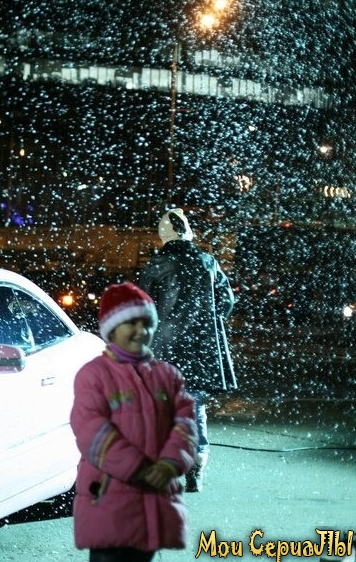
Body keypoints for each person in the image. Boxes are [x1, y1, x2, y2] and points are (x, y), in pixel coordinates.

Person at [70, 282, 197, 562]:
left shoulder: (167, 376)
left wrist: (169, 463)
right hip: (109, 499)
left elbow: (185, 423)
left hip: (155, 497)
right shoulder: (94, 375)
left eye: (147, 324)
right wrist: (139, 468)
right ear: (112, 329)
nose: (142, 331)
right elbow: (90, 429)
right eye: (132, 323)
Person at [138, 207, 235, 492]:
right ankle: (197, 462)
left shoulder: (157, 265)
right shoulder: (207, 262)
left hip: (164, 346)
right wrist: (208, 322)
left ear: (164, 235)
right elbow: (227, 300)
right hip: (200, 347)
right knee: (195, 405)